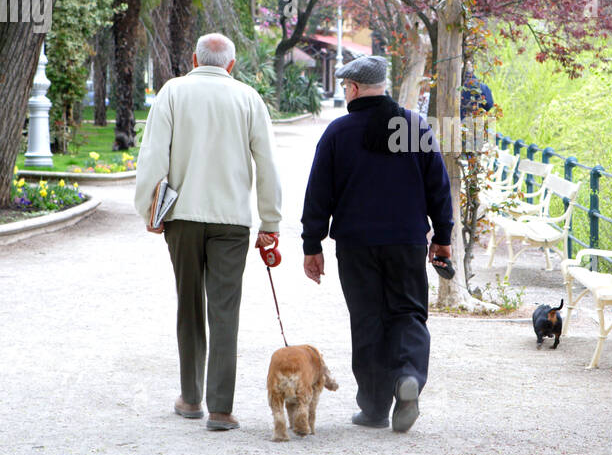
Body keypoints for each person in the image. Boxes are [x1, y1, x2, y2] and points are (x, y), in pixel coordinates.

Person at [134, 33, 282, 432]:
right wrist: (270, 223)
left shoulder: (172, 92)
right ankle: (220, 408)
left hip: (182, 217)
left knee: (189, 306)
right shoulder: (249, 98)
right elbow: (267, 163)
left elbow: (152, 155)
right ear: (231, 65)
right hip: (232, 221)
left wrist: (149, 208)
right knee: (225, 311)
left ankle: (190, 397)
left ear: (193, 58)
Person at [300, 54, 452, 433]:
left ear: (352, 89)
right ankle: (409, 375)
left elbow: (318, 194)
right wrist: (444, 237)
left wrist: (311, 244)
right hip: (406, 241)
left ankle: (373, 406)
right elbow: (439, 188)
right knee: (408, 313)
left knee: (367, 320)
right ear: (382, 85)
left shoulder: (338, 133)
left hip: (356, 245)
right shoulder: (415, 128)